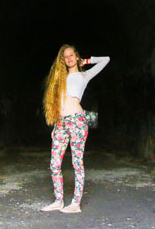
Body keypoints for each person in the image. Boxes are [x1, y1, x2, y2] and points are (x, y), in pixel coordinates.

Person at [40, 44, 110, 213]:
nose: (69, 58)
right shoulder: (59, 78)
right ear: (62, 60)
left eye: (72, 55)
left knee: (77, 163)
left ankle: (75, 204)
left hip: (77, 121)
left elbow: (106, 60)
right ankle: (59, 200)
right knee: (54, 164)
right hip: (61, 123)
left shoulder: (84, 75)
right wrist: (56, 127)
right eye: (65, 56)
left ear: (76, 56)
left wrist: (85, 60)